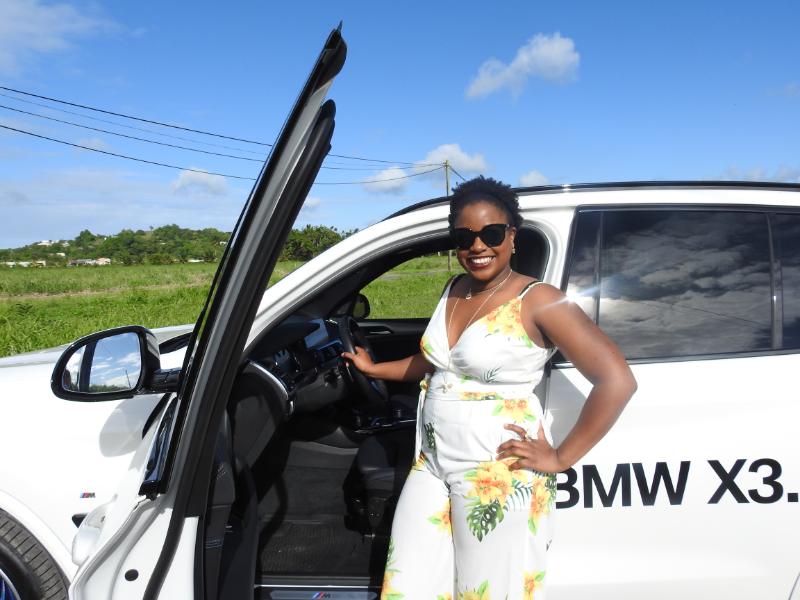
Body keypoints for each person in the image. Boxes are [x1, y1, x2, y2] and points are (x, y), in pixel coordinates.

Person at [342, 176, 636, 599]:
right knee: (410, 582)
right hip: (432, 463)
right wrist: (374, 368)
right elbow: (436, 364)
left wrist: (560, 457)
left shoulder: (539, 300)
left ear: (512, 236)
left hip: (494, 470)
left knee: (486, 590)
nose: (477, 246)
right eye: (464, 237)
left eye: (492, 233)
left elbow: (617, 380)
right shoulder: (454, 290)